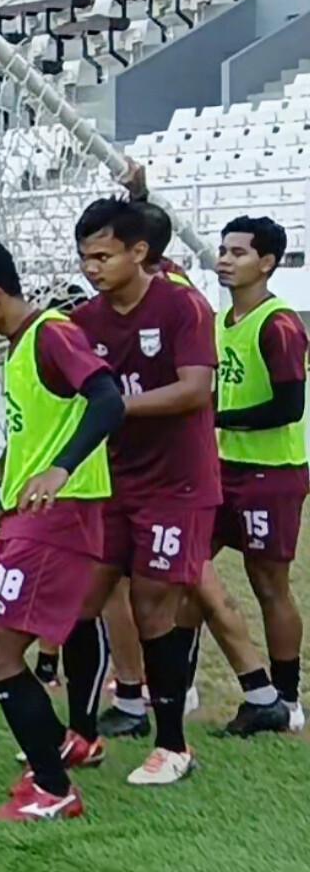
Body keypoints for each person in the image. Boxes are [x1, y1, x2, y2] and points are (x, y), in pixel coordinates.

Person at [0, 236, 122, 823]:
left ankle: (53, 785)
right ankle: (51, 739)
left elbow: (108, 399)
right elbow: (44, 424)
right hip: (24, 520)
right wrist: (9, 471)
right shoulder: (18, 348)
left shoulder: (52, 334)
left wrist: (61, 468)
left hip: (60, 521)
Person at [65, 198, 219, 785]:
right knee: (81, 600)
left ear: (139, 253)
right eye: (84, 257)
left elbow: (194, 391)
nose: (92, 267)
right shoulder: (83, 322)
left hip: (177, 484)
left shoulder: (183, 306)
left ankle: (173, 744)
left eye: (102, 255)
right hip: (112, 483)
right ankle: (80, 736)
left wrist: (114, 407)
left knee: (154, 603)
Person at [212, 215, 304, 734]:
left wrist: (215, 418)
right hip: (223, 468)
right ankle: (172, 690)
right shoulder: (218, 322)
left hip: (272, 473)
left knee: (268, 584)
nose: (225, 259)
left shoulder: (279, 324)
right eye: (223, 250)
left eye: (239, 252)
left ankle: (287, 699)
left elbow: (289, 406)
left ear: (266, 263)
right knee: (182, 575)